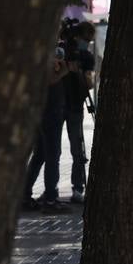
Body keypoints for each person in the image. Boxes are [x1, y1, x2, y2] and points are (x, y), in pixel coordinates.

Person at [23, 37, 70, 211]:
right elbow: (50, 79)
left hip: (42, 109)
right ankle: (51, 199)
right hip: (49, 110)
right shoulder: (41, 52)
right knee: (52, 155)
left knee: (41, 154)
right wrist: (64, 71)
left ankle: (24, 196)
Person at [62, 21, 94, 203]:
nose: (86, 43)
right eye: (85, 39)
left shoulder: (87, 57)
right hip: (59, 103)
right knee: (47, 151)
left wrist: (80, 73)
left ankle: (78, 188)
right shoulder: (62, 51)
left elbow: (88, 84)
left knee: (77, 149)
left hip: (75, 104)